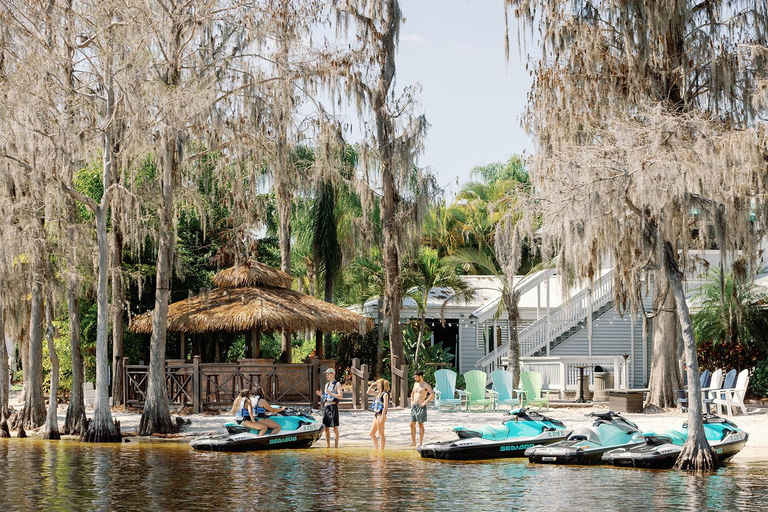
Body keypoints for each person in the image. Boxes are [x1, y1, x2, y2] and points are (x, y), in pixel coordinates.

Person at [316, 367, 341, 448]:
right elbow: (325, 398)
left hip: (333, 406)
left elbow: (340, 396)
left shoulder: (337, 384)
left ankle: (336, 446)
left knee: (334, 427)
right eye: (326, 374)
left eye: (328, 374)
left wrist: (331, 393)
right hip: (326, 406)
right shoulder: (327, 385)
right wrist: (321, 395)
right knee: (326, 428)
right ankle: (328, 446)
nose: (327, 376)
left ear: (333, 374)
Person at [409, 370, 433, 447]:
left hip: (420, 406)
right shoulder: (415, 384)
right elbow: (412, 392)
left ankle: (420, 442)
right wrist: (412, 401)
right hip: (414, 406)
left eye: (416, 377)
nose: (415, 378)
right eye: (414, 377)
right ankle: (413, 442)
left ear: (420, 376)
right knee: (412, 424)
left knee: (420, 424)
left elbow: (432, 394)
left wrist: (424, 402)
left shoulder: (426, 385)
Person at [367, 378, 390, 450]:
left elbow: (385, 407)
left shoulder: (385, 394)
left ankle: (382, 450)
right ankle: (376, 448)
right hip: (376, 415)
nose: (377, 385)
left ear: (382, 385)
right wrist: (372, 385)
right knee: (371, 433)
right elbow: (368, 392)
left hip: (381, 415)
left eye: (378, 384)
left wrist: (383, 417)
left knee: (381, 433)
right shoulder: (378, 393)